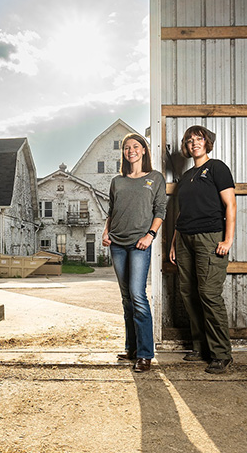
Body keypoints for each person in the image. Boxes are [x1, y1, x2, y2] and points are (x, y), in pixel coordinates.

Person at [169, 125, 236, 374]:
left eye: (199, 139)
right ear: (186, 147)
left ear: (207, 143)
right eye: (189, 140)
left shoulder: (217, 167)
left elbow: (230, 204)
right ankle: (201, 347)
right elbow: (181, 213)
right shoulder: (185, 178)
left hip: (210, 237)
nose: (194, 143)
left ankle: (221, 354)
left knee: (209, 294)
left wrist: (227, 240)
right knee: (188, 292)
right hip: (184, 238)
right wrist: (175, 242)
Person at [102, 133, 167, 373]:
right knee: (126, 299)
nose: (131, 150)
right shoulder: (117, 181)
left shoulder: (154, 178)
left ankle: (145, 354)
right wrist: (106, 231)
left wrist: (150, 235)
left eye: (136, 146)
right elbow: (111, 209)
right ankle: (131, 348)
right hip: (117, 243)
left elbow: (160, 210)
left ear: (143, 150)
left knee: (138, 296)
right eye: (127, 147)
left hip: (140, 243)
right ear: (124, 153)